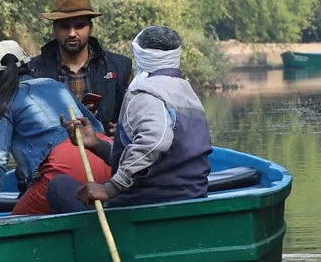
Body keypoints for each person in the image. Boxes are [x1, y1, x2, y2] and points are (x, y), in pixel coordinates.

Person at [48, 26, 212, 211]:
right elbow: (158, 157)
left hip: (150, 203)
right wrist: (96, 144)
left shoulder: (146, 93)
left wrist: (110, 188)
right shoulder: (186, 91)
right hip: (193, 195)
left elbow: (155, 142)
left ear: (140, 55)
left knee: (59, 187)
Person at [0, 40, 113, 221]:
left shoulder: (3, 104)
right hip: (106, 161)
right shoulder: (56, 85)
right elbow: (96, 128)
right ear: (28, 66)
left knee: (15, 224)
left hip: (64, 169)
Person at [29, 0, 133, 135]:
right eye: (65, 26)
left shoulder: (119, 67)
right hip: (55, 154)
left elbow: (137, 114)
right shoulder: (34, 72)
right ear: (55, 29)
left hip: (105, 154)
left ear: (90, 27)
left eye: (79, 26)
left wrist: (124, 130)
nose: (72, 33)